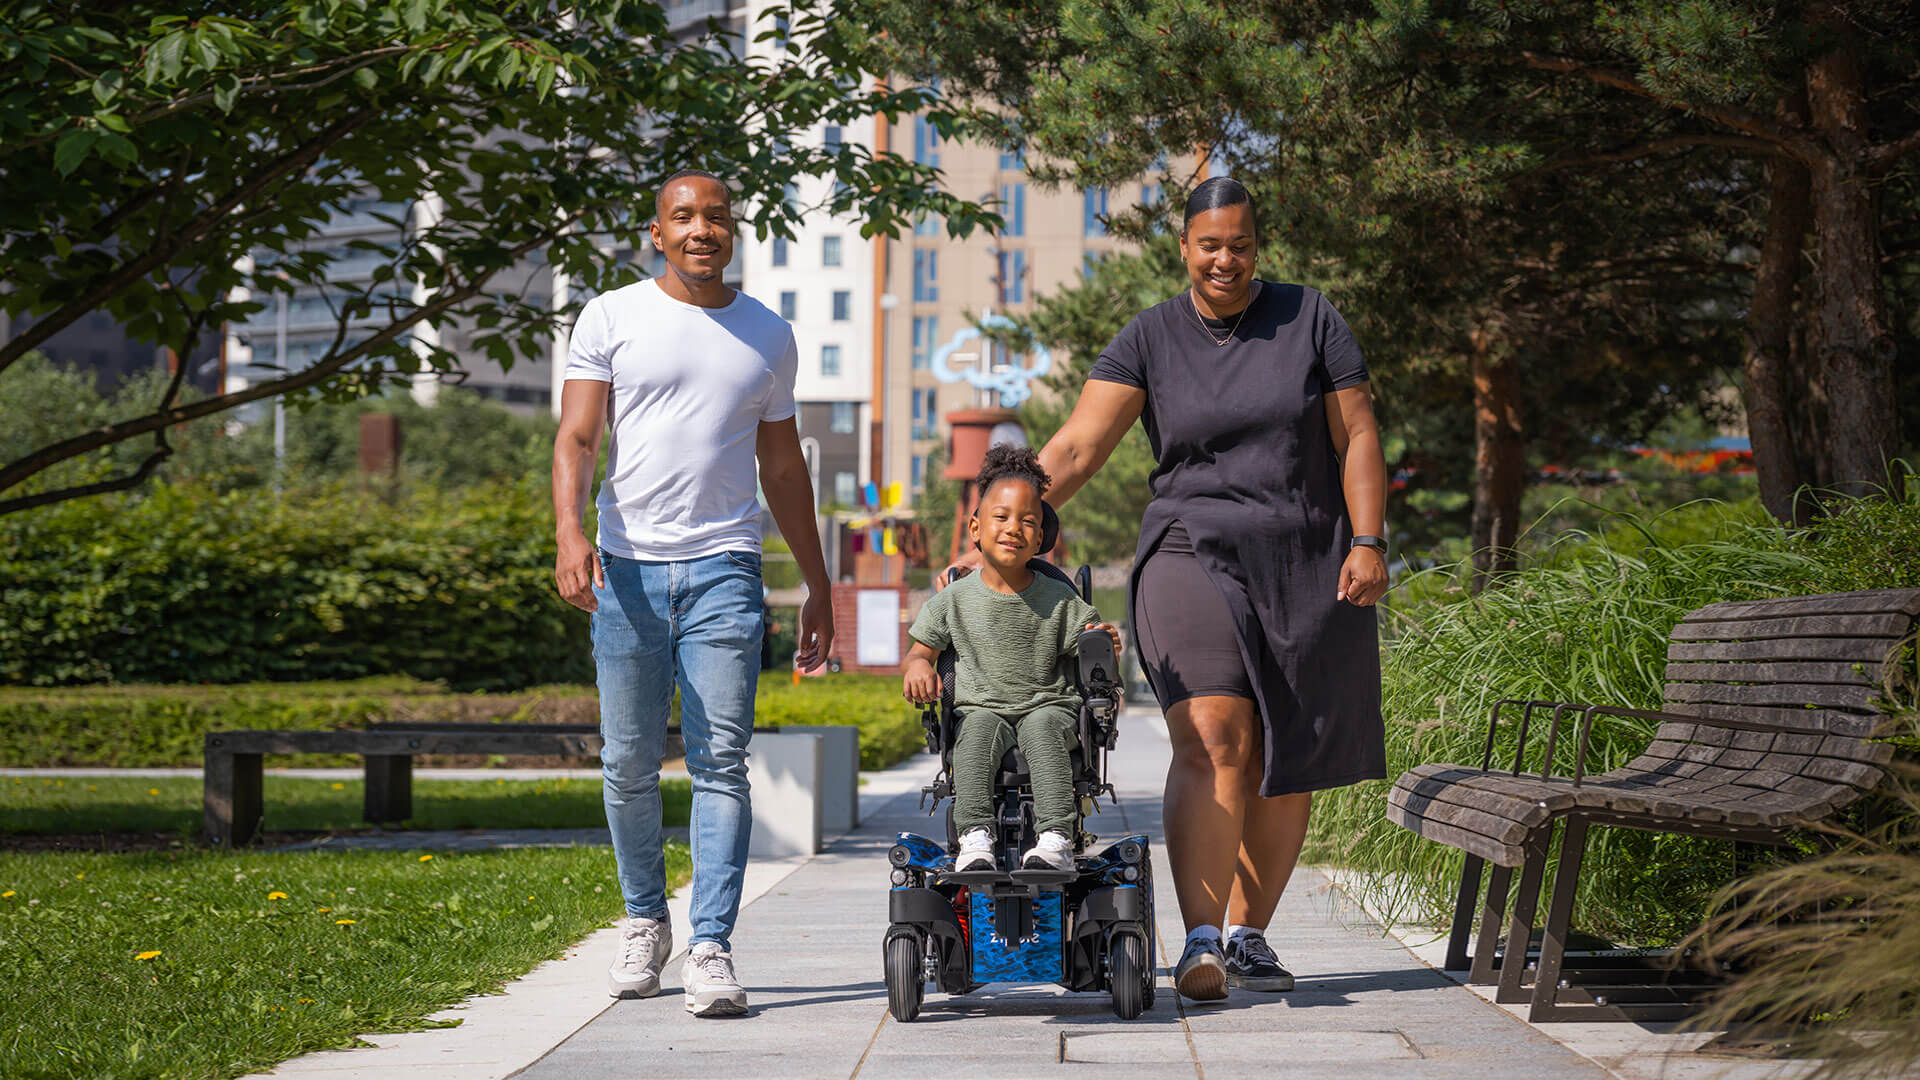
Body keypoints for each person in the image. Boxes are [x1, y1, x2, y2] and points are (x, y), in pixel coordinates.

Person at [942, 176, 1389, 1001]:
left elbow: (1357, 431)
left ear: (1259, 245)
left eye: (1241, 244)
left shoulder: (1311, 318)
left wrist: (1367, 538)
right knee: (1216, 732)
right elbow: (1074, 450)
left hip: (1307, 555)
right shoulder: (1150, 337)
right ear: (1183, 247)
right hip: (1189, 547)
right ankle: (1202, 940)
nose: (1225, 259)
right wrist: (998, 533)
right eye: (1209, 245)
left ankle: (1251, 933)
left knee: (1286, 751)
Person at [552, 169, 834, 1018]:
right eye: (684, 217)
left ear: (733, 230)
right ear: (657, 232)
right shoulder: (611, 314)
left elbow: (782, 467)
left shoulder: (767, 334)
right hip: (628, 568)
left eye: (716, 216)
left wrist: (817, 583)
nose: (702, 229)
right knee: (628, 763)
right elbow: (576, 436)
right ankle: (646, 923)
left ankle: (711, 942)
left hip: (724, 568)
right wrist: (570, 532)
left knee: (720, 763)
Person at [902, 446, 1122, 872]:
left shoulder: (1059, 598)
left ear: (1039, 538)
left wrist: (1103, 642)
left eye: (1027, 521)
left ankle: (1056, 836)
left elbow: (1092, 648)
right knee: (975, 738)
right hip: (982, 707)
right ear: (975, 528)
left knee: (1041, 731)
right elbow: (920, 650)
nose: (1013, 529)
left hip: (1049, 705)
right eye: (1001, 518)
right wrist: (917, 667)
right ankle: (975, 838)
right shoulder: (953, 600)